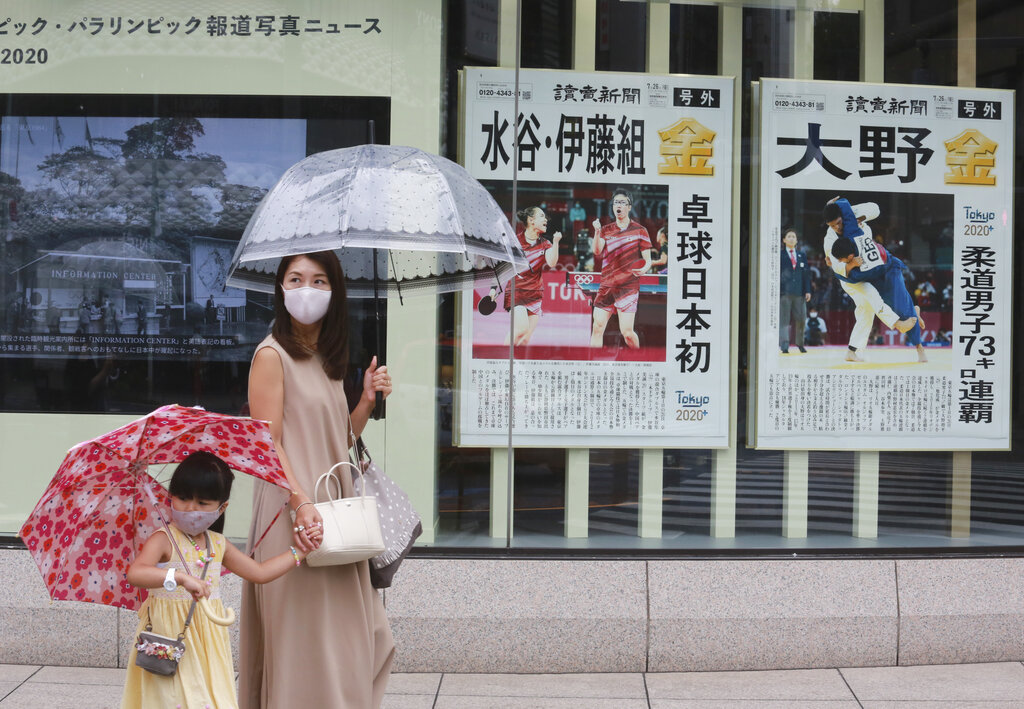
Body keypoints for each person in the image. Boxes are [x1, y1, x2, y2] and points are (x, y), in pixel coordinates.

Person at [240, 251, 394, 709]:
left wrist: (365, 400)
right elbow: (267, 444)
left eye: (319, 280)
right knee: (304, 644)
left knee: (356, 637)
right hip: (294, 515)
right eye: (296, 278)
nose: (307, 289)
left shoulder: (325, 358)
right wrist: (300, 503)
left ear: (335, 291)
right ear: (281, 289)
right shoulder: (272, 355)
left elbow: (334, 440)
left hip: (335, 514)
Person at [121, 451, 309, 709]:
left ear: (222, 507)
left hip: (207, 639)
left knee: (207, 698)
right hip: (168, 637)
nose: (191, 509)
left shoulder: (218, 543)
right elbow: (136, 573)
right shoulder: (164, 538)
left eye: (203, 503)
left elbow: (260, 572)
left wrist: (300, 552)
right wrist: (178, 577)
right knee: (172, 699)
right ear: (169, 497)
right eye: (183, 498)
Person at [822, 197, 916, 362]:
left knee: (866, 311)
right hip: (849, 277)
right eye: (832, 225)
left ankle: (852, 351)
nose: (837, 227)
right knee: (872, 294)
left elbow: (875, 209)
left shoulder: (854, 219)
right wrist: (850, 265)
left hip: (866, 270)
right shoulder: (830, 237)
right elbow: (835, 264)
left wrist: (855, 214)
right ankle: (897, 323)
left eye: (838, 222)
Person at [831, 235, 928, 363]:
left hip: (891, 271)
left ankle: (919, 348)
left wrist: (848, 267)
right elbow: (841, 275)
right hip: (876, 281)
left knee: (903, 310)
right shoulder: (853, 268)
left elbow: (844, 275)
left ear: (849, 257)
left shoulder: (856, 270)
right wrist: (849, 266)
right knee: (887, 308)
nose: (842, 263)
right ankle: (910, 313)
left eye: (842, 260)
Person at [486, 206, 562, 346]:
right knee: (521, 328)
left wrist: (556, 243)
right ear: (531, 220)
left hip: (535, 294)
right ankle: (503, 359)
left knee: (525, 339)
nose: (546, 219)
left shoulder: (545, 244)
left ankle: (515, 365)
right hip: (517, 292)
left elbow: (552, 262)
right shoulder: (515, 242)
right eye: (542, 216)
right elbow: (501, 268)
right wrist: (492, 290)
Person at [589, 188, 652, 348]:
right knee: (597, 328)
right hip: (607, 286)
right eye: (616, 202)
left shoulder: (640, 230)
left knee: (627, 333)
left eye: (623, 203)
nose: (619, 206)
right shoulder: (606, 230)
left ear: (629, 206)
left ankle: (638, 361)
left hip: (627, 287)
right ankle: (593, 367)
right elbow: (597, 251)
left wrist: (644, 269)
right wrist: (597, 232)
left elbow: (648, 261)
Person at [779, 228, 811, 353]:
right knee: (784, 320)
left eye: (794, 237)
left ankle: (800, 343)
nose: (792, 238)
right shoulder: (780, 255)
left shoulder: (801, 255)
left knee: (802, 318)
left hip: (799, 292)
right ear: (784, 240)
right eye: (789, 236)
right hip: (785, 293)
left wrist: (808, 290)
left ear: (797, 241)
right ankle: (784, 345)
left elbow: (806, 275)